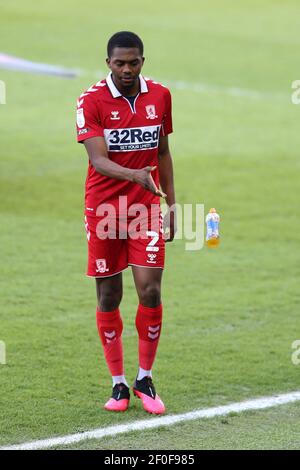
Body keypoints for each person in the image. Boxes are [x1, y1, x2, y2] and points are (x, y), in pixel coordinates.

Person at [76, 31, 176, 415]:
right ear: (108, 64)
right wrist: (135, 176)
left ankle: (144, 377)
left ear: (142, 62)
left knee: (150, 291)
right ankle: (118, 384)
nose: (127, 69)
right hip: (103, 210)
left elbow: (164, 151)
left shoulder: (161, 96)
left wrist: (173, 203)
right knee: (109, 296)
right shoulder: (91, 100)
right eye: (120, 63)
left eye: (134, 62)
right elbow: (98, 160)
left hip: (147, 207)